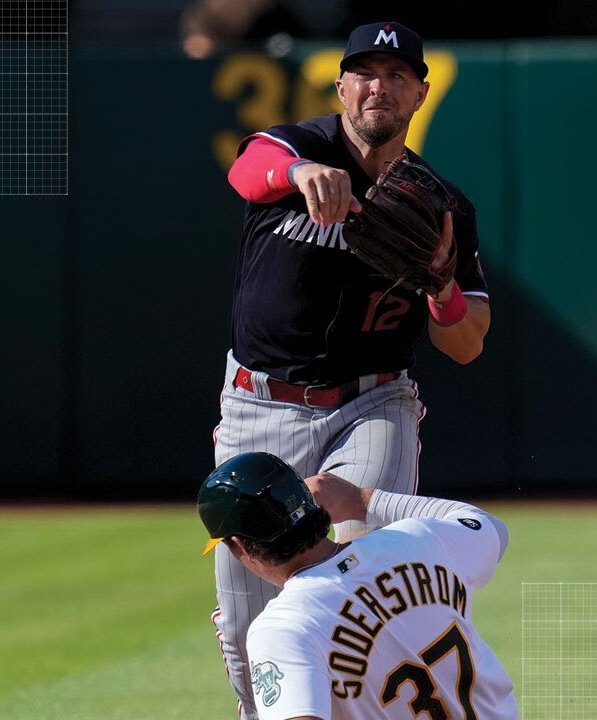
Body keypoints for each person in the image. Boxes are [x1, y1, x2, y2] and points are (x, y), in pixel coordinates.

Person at [209, 20, 492, 717]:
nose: (379, 87)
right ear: (340, 86)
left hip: (374, 402)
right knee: (249, 630)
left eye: (397, 75)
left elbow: (467, 343)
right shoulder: (298, 149)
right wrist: (301, 172)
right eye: (365, 72)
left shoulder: (441, 206)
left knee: (360, 576)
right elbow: (247, 171)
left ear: (420, 93)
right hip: (260, 404)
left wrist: (440, 286)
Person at [197, 452, 517, 719]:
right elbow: (491, 528)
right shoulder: (417, 539)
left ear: (240, 546)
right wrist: (363, 500)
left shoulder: (283, 627)